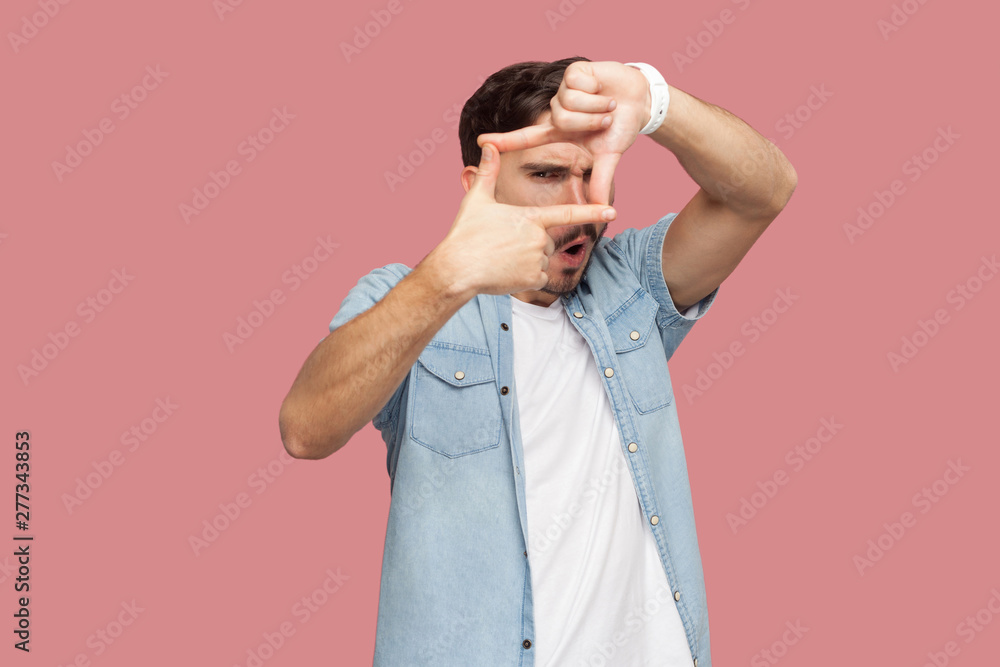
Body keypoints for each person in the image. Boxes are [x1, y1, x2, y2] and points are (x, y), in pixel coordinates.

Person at [278, 56, 796, 666]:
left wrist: (653, 100)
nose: (580, 205)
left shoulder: (629, 285)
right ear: (480, 188)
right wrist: (448, 275)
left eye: (592, 174)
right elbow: (305, 430)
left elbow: (765, 191)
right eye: (548, 174)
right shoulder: (408, 299)